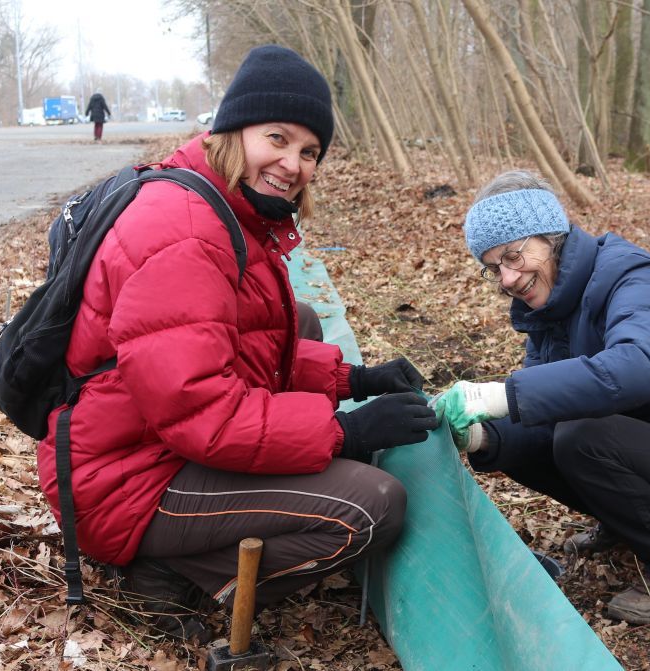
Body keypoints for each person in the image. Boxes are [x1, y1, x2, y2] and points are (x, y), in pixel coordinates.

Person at [35, 45, 438, 640]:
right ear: (233, 130)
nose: (292, 164)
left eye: (309, 152)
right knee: (373, 505)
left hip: (146, 443)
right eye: (277, 138)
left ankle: (189, 549)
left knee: (298, 319)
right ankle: (171, 570)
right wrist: (346, 431)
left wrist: (355, 380)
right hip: (127, 482)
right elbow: (205, 411)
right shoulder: (186, 232)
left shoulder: (223, 205)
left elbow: (241, 349)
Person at [435, 170, 650, 625]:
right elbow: (539, 413)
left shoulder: (630, 276)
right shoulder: (549, 310)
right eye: (494, 268)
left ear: (552, 236)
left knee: (578, 434)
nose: (508, 279)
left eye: (514, 256)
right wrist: (481, 436)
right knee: (523, 431)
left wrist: (500, 395)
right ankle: (628, 521)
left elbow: (637, 370)